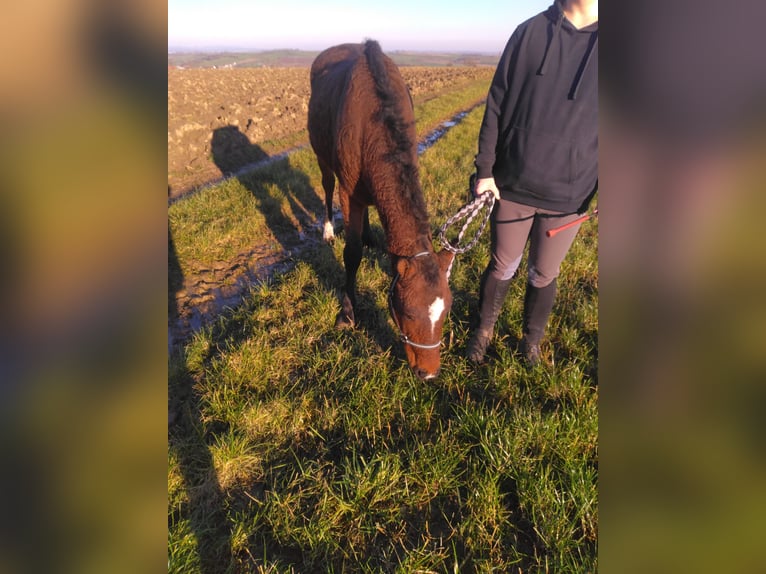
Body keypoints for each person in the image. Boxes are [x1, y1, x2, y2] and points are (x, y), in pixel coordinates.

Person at [466, 0, 598, 365]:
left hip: (570, 195)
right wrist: (485, 171)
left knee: (544, 273)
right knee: (502, 265)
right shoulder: (529, 32)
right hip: (511, 184)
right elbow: (496, 103)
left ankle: (531, 342)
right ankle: (484, 331)